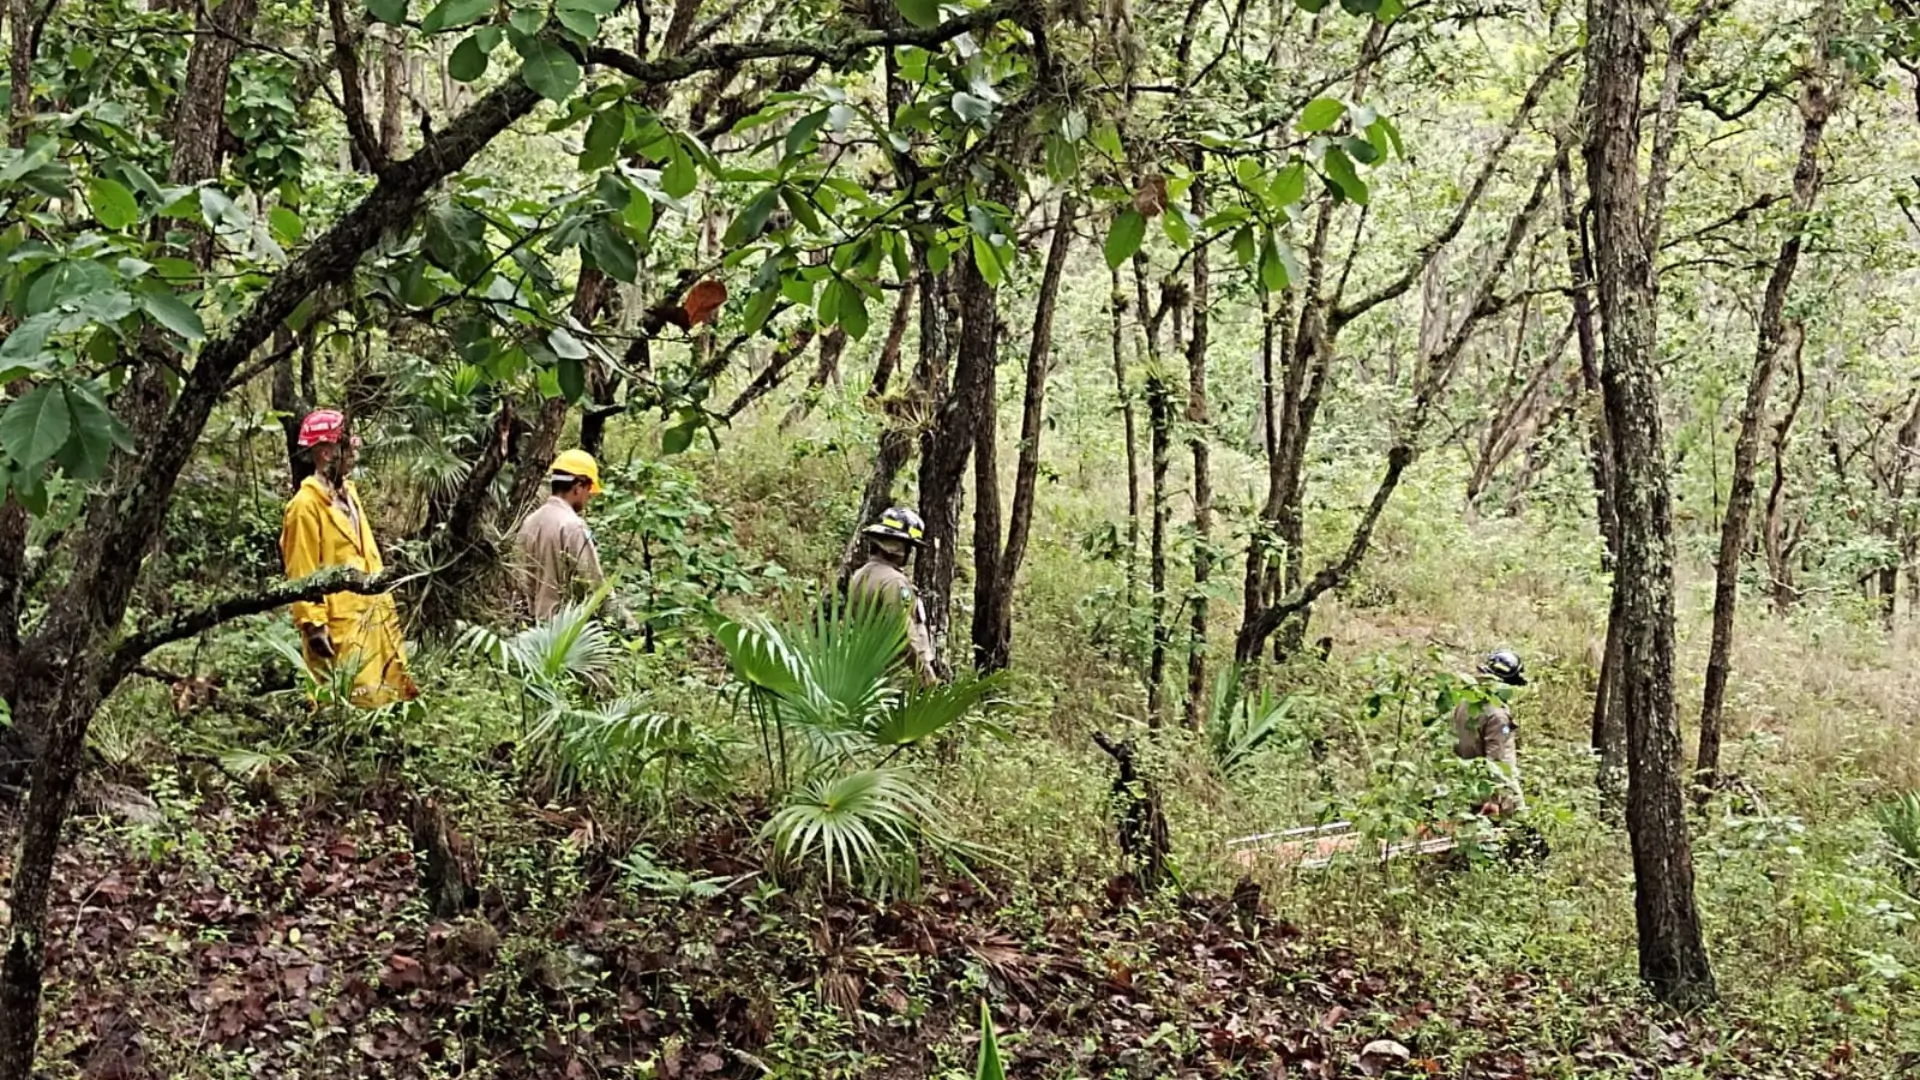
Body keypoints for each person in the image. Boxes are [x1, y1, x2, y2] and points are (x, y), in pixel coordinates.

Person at [280, 409, 418, 708]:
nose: (353, 452)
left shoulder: (349, 496)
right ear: (326, 452)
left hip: (371, 614)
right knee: (347, 703)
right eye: (346, 447)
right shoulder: (304, 507)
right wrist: (313, 624)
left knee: (385, 697)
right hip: (339, 623)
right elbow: (301, 569)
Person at [514, 449, 609, 622]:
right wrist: (628, 624)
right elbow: (595, 585)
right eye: (589, 490)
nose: (588, 497)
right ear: (578, 487)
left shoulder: (529, 522)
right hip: (562, 634)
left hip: (528, 634)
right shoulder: (573, 527)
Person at [847, 505, 938, 683]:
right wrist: (925, 674)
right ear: (900, 547)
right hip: (892, 674)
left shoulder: (860, 574)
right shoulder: (895, 582)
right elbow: (903, 632)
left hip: (863, 668)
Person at [1451, 648, 1527, 815]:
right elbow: (1496, 758)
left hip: (1468, 783)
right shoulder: (1498, 715)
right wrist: (1494, 798)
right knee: (1520, 832)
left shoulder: (1464, 702)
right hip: (1498, 791)